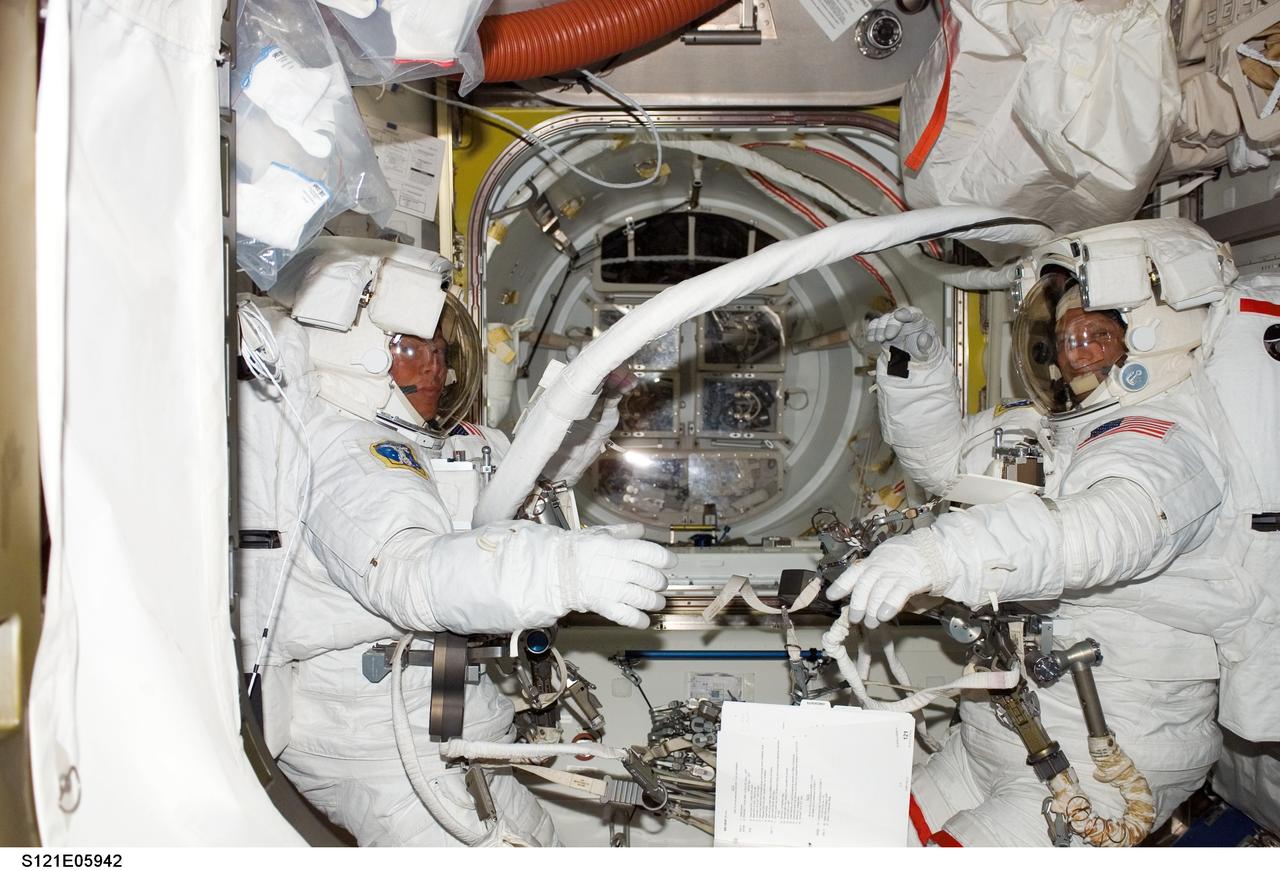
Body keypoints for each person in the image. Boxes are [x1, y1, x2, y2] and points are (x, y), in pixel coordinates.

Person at [826, 218, 1274, 846]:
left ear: (1151, 335)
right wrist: (916, 369)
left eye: (1096, 333)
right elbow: (945, 466)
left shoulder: (1168, 442)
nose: (1076, 351)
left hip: (1108, 755)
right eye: (1065, 336)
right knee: (858, 837)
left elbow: (1096, 533)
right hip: (1002, 731)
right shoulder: (1055, 427)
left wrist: (940, 554)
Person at [236, 240, 675, 846]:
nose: (433, 365)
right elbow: (408, 574)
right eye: (410, 347)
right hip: (381, 743)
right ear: (356, 352)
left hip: (447, 724)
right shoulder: (346, 453)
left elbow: (533, 481)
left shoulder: (433, 445)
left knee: (538, 843)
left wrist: (597, 396)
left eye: (438, 349)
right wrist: (557, 572)